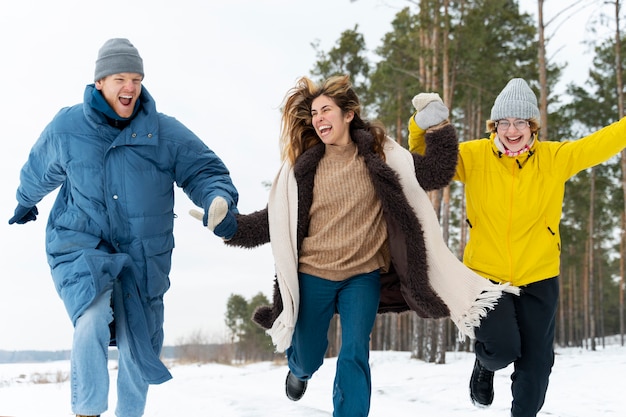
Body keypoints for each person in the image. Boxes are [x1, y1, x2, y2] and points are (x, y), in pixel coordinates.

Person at [191, 75, 517, 417]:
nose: (318, 118)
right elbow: (269, 222)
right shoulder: (302, 169)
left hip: (362, 277)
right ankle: (300, 370)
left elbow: (435, 172)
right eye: (314, 113)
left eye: (326, 110)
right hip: (313, 276)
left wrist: (436, 126)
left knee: (355, 353)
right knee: (308, 354)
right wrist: (228, 225)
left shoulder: (381, 156)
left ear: (348, 114)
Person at [8, 38, 239, 417]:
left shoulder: (164, 133)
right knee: (92, 316)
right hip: (79, 246)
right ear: (100, 82)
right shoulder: (68, 127)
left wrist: (218, 200)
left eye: (136, 78)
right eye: (120, 78)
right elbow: (39, 168)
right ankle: (87, 410)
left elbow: (205, 171)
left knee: (140, 345)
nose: (130, 87)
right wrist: (25, 200)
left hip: (143, 257)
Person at [408, 78, 626, 417]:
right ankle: (485, 364)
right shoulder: (473, 156)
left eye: (520, 122)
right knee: (501, 350)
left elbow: (602, 142)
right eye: (504, 123)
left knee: (537, 366)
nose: (512, 130)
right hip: (485, 278)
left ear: (532, 125)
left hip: (539, 277)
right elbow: (425, 159)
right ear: (493, 125)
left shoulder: (555, 158)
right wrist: (421, 122)